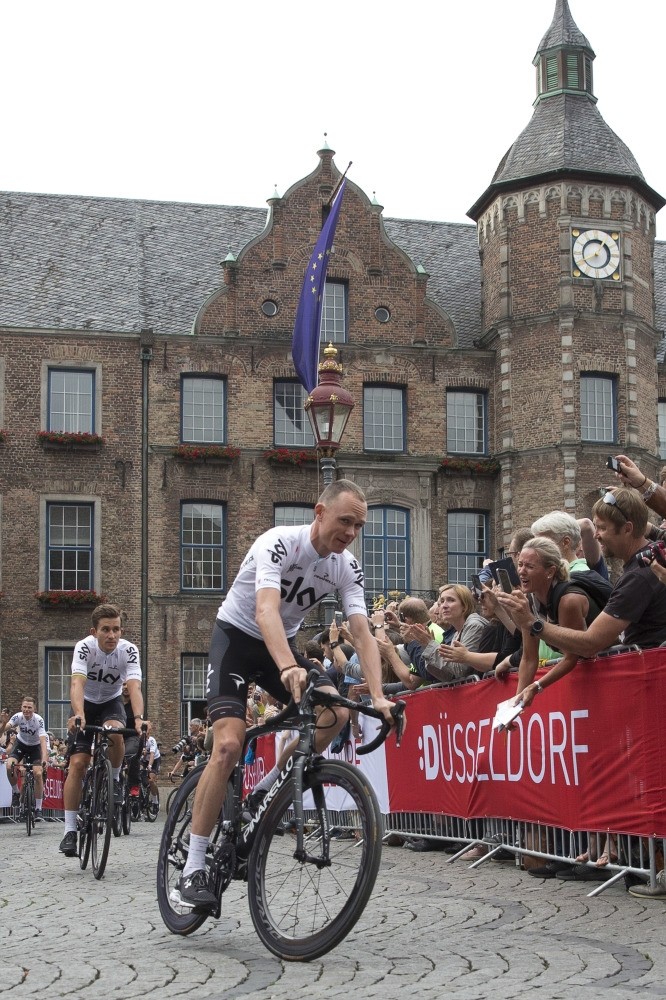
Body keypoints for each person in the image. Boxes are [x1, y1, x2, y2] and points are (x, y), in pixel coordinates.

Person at [174, 479, 396, 912]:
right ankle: (193, 866)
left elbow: (363, 632)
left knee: (334, 712)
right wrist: (290, 666)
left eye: (359, 526)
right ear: (320, 512)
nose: (351, 532)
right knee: (229, 745)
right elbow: (265, 610)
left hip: (283, 645)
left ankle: (273, 786)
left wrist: (377, 695)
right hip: (237, 639)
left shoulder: (346, 566)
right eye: (345, 521)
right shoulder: (277, 543)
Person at [497, 487, 666, 664]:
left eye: (601, 527)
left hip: (648, 674)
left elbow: (590, 643)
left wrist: (532, 623)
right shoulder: (649, 560)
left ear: (627, 529)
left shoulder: (639, 575)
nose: (595, 535)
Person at [58, 603, 146, 857]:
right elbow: (77, 683)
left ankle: (115, 779)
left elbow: (134, 686)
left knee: (116, 732)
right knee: (78, 764)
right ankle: (70, 830)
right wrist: (79, 714)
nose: (112, 635)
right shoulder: (84, 647)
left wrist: (138, 718)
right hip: (84, 703)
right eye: (106, 630)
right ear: (94, 631)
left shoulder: (129, 651)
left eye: (116, 629)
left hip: (111, 703)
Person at [0, 697, 48, 819]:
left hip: (35, 747)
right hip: (21, 744)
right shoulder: (17, 717)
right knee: (9, 765)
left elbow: (43, 741)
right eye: (24, 707)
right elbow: (1, 732)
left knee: (37, 773)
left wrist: (45, 758)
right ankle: (16, 792)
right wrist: (4, 723)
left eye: (29, 708)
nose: (26, 710)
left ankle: (38, 808)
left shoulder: (39, 720)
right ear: (21, 707)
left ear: (34, 709)